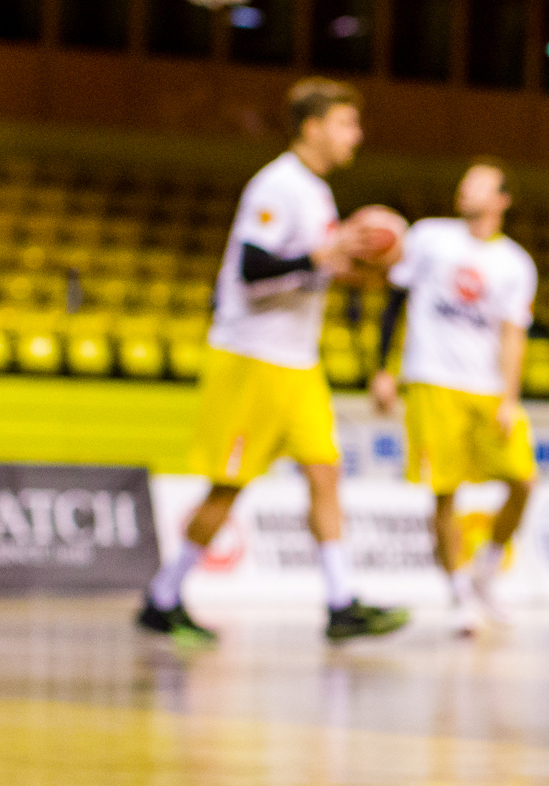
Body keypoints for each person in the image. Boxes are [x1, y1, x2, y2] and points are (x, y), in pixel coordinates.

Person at [139, 78, 409, 645]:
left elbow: (309, 269)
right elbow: (253, 270)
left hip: (297, 360)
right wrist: (326, 254)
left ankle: (340, 603)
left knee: (325, 472)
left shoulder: (318, 194)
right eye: (346, 123)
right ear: (312, 127)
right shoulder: (277, 186)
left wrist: (357, 270)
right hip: (252, 356)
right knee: (229, 487)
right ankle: (163, 597)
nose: (356, 135)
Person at [371, 158, 538, 635]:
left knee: (524, 482)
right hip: (431, 379)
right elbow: (394, 301)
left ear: (502, 200)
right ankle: (459, 595)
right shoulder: (428, 236)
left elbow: (513, 335)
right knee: (443, 492)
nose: (465, 189)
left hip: (487, 388)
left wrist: (509, 398)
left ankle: (486, 572)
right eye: (465, 182)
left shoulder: (516, 263)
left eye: (478, 185)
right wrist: (383, 368)